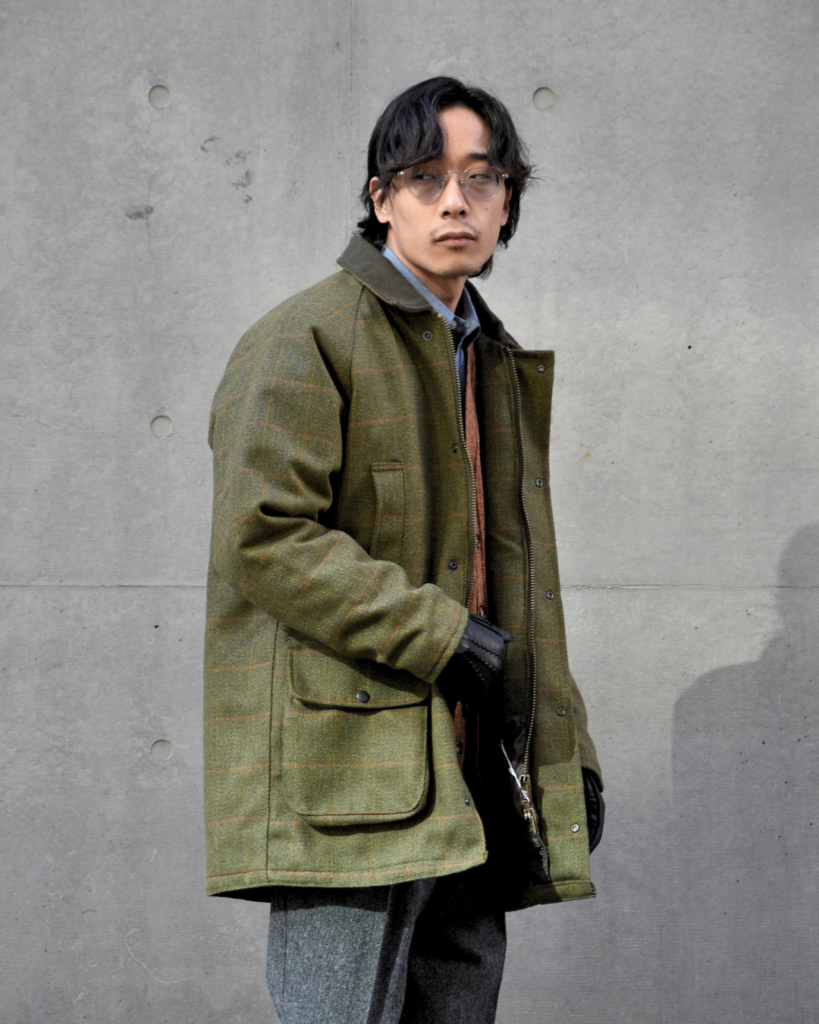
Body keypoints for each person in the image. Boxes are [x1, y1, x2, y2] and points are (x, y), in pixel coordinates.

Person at [204, 76, 604, 1024]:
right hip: (349, 779)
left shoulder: (489, 358)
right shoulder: (304, 337)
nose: (455, 201)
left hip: (470, 783)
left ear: (507, 201)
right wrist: (440, 635)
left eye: (480, 177)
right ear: (381, 199)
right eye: (426, 178)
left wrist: (568, 750)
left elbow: (514, 585)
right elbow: (264, 535)